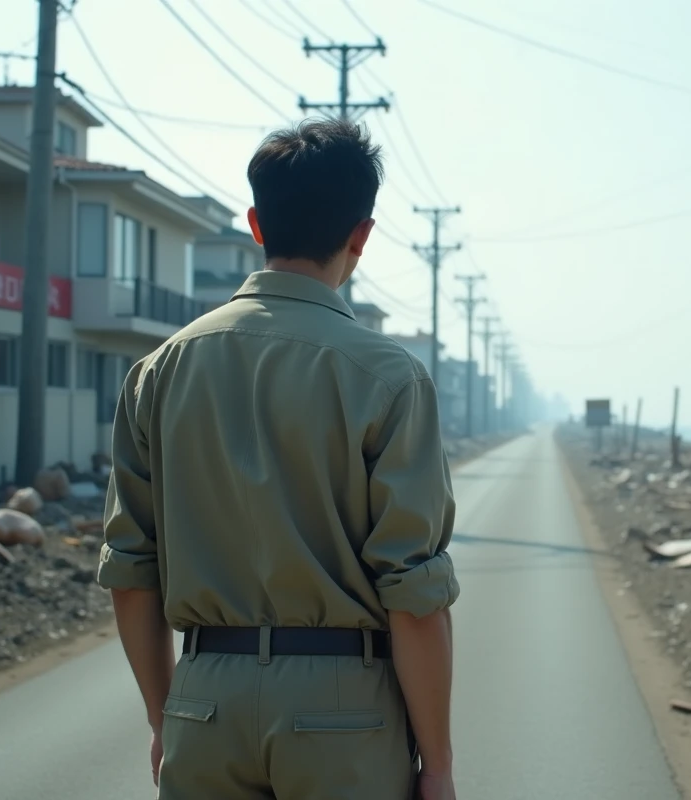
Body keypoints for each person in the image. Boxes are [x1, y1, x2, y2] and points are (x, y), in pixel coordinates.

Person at [96, 118, 458, 800]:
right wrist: (435, 764)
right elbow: (414, 597)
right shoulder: (389, 377)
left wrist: (166, 716)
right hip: (345, 716)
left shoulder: (158, 371)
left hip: (204, 703)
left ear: (257, 223)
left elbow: (130, 575)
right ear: (361, 236)